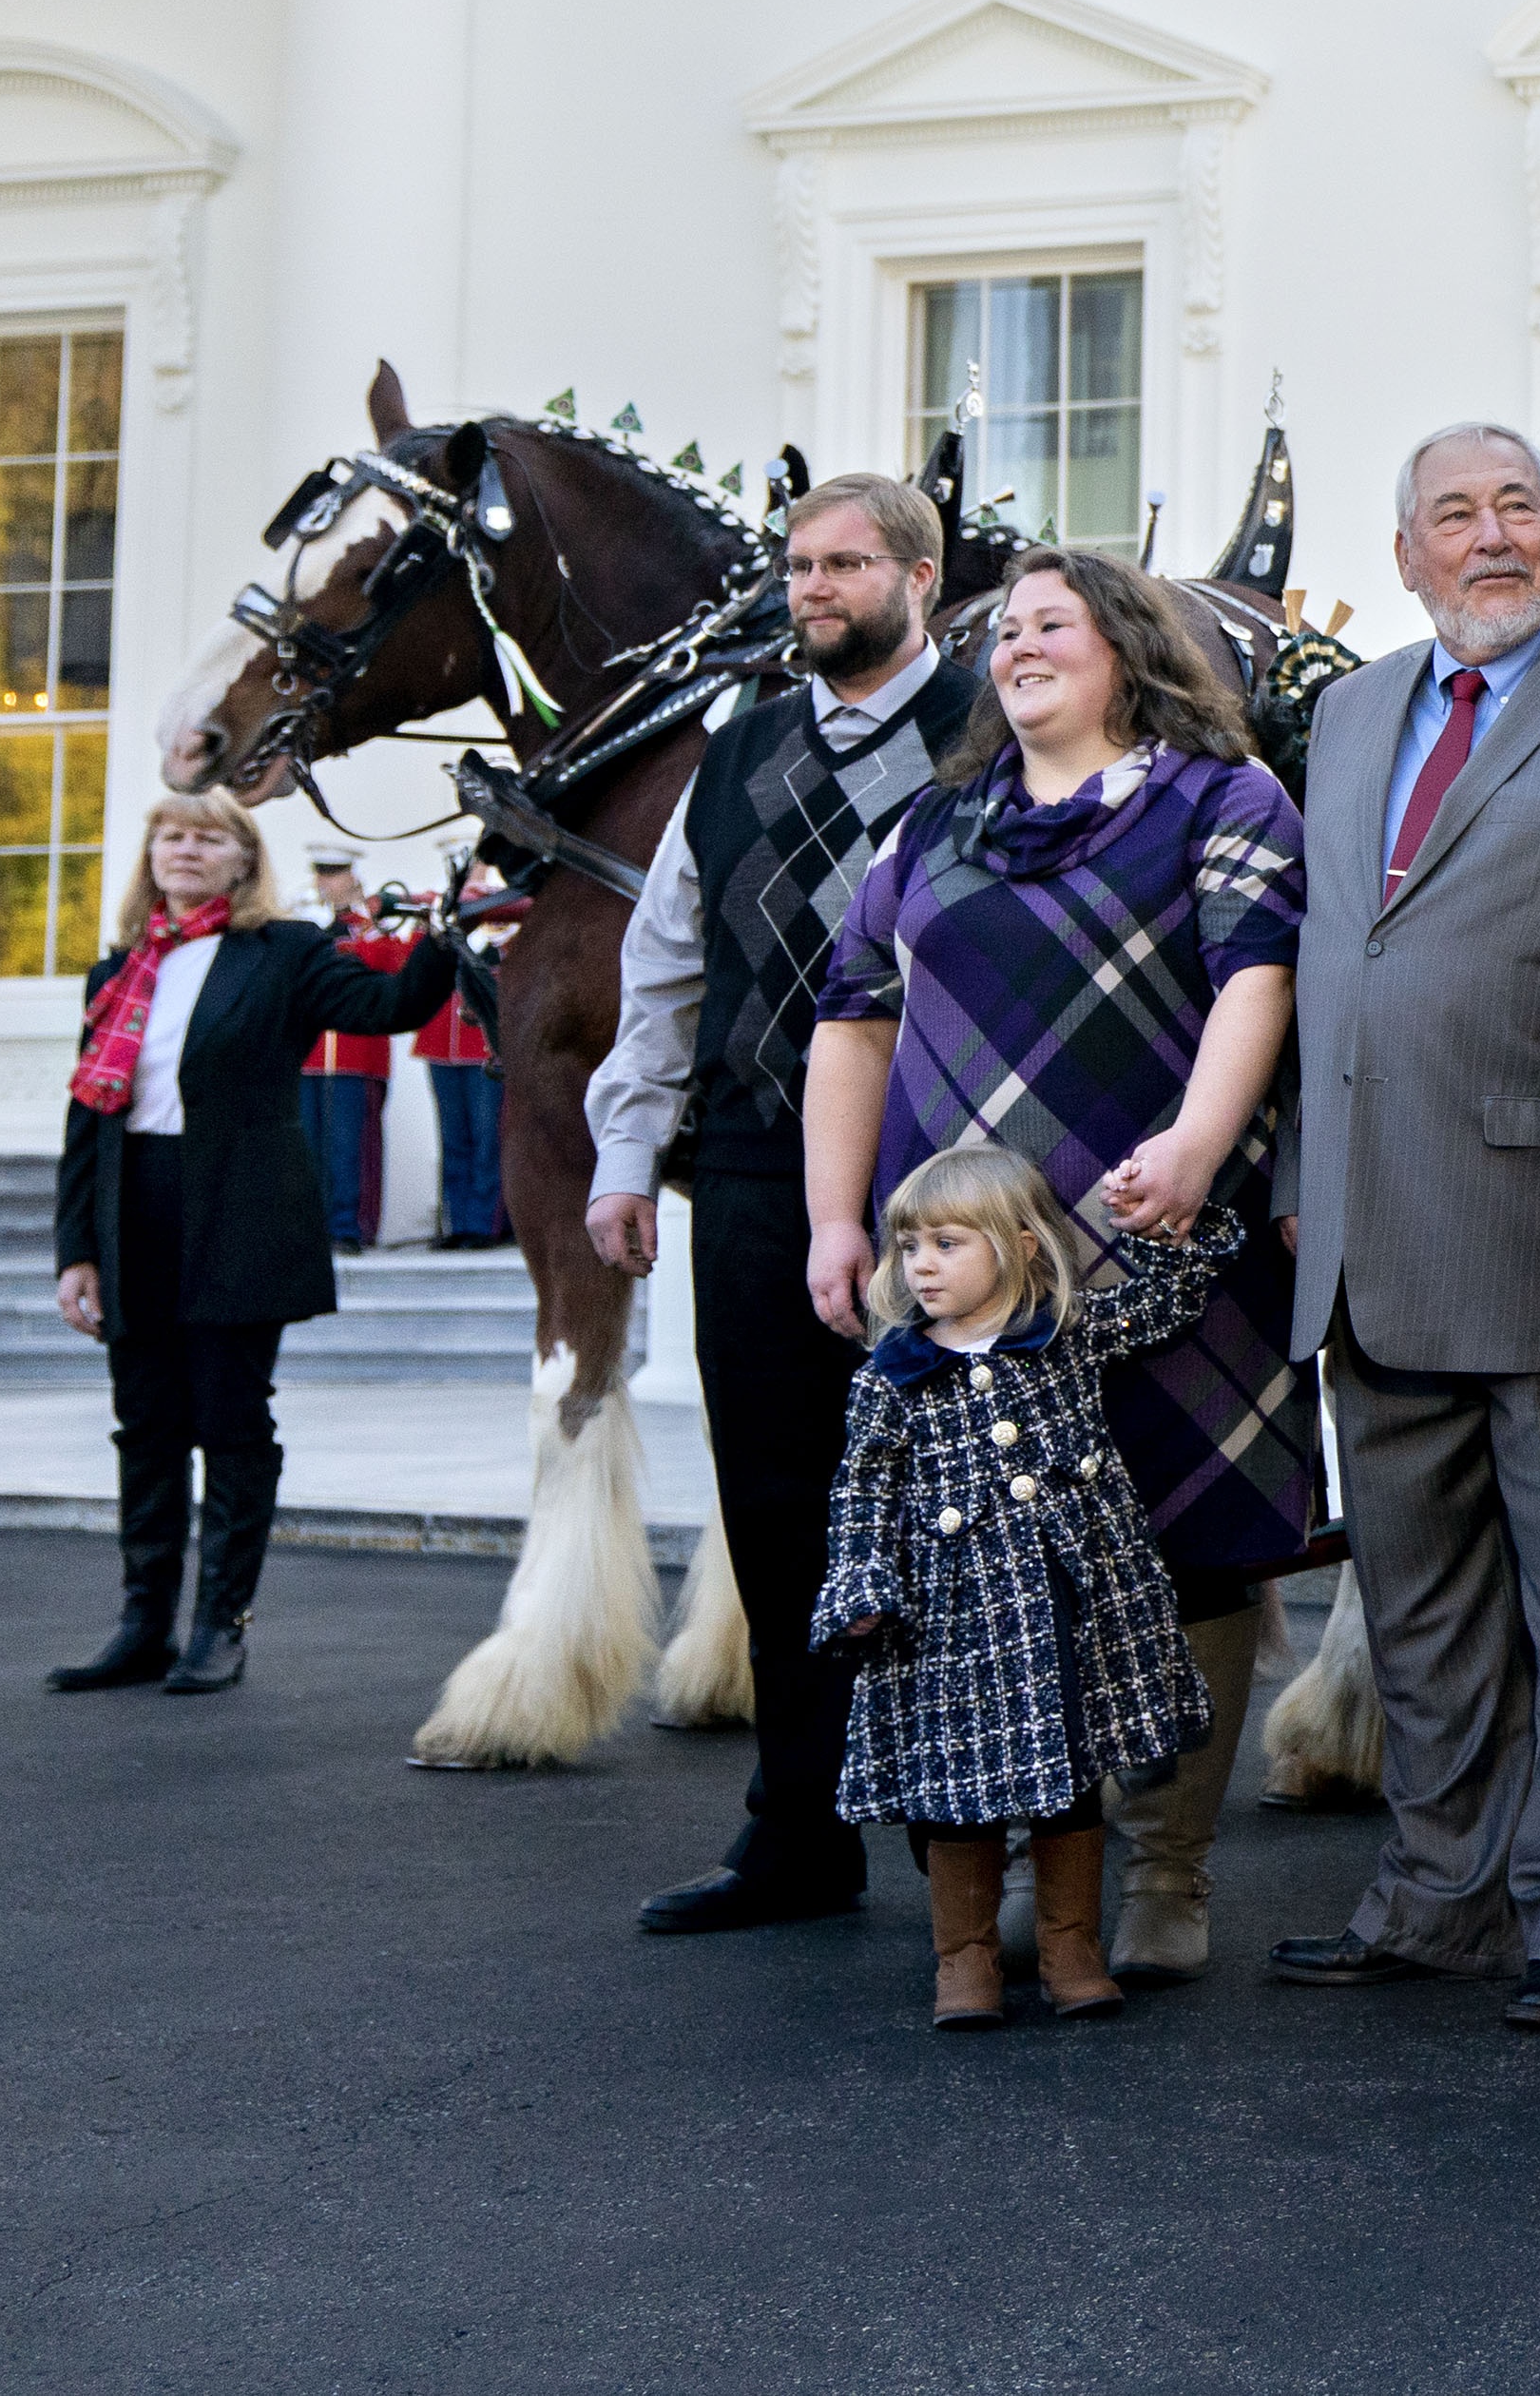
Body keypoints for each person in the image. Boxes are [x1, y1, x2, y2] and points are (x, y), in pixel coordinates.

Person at [808, 544, 1314, 1984]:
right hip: (970, 1278)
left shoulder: (1224, 800)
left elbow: (1256, 976)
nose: (1018, 644)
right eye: (1004, 628)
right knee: (982, 1561)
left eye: (1052, 622)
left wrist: (1204, 1140)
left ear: (1129, 645)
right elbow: (852, 1015)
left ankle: (1167, 1871)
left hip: (1160, 1237)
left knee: (1184, 1542)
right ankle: (1044, 1865)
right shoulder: (934, 823)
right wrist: (837, 1219)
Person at [1266, 422, 1540, 2027]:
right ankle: (1438, 1896)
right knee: (1418, 1607)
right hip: (1365, 1233)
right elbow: (1326, 955)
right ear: (1406, 552)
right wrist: (1303, 1182)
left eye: (1522, 507)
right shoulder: (1350, 710)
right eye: (1460, 512)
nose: (1496, 535)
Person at [587, 470, 981, 1938]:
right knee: (773, 1505)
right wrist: (628, 1157)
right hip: (755, 1164)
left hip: (957, 1180)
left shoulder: (990, 733)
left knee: (969, 1509)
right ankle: (797, 1835)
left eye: (844, 563)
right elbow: (664, 965)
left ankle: (974, 1838)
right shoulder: (737, 748)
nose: (811, 587)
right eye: (798, 564)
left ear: (920, 577)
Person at [50, 791, 456, 1693]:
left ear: (242, 860)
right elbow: (87, 1117)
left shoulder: (284, 954)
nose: (184, 848)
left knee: (232, 1421)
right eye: (170, 833)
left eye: (207, 837)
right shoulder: (119, 970)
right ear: (150, 852)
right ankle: (142, 1620)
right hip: (134, 1213)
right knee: (146, 1423)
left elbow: (389, 1003)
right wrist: (75, 1249)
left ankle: (218, 1626)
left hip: (235, 1215)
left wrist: (448, 927)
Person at [814, 1148, 1221, 2031]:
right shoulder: (892, 1377)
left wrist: (1160, 1224)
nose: (919, 1263)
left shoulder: (1065, 1332)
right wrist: (861, 1583)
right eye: (909, 1244)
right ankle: (965, 1962)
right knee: (958, 1791)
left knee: (1070, 1779)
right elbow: (862, 1490)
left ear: (1023, 1246)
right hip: (954, 1619)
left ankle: (1072, 1948)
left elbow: (1166, 1305)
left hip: (1069, 1603)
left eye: (947, 1243)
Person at [296, 859, 405, 1250]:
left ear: (353, 878)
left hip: (357, 1057)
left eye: (335, 875)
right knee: (308, 1148)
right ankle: (312, 1228)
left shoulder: (371, 926)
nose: (326, 883)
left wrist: (358, 923)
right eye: (322, 875)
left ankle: (349, 1227)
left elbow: (391, 967)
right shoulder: (304, 925)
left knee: (350, 1147)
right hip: (308, 1057)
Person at [412, 878, 506, 1249]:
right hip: (441, 1048)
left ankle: (484, 1224)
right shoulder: (441, 942)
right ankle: (457, 1222)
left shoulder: (500, 944)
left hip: (482, 1048)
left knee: (486, 1139)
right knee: (453, 1140)